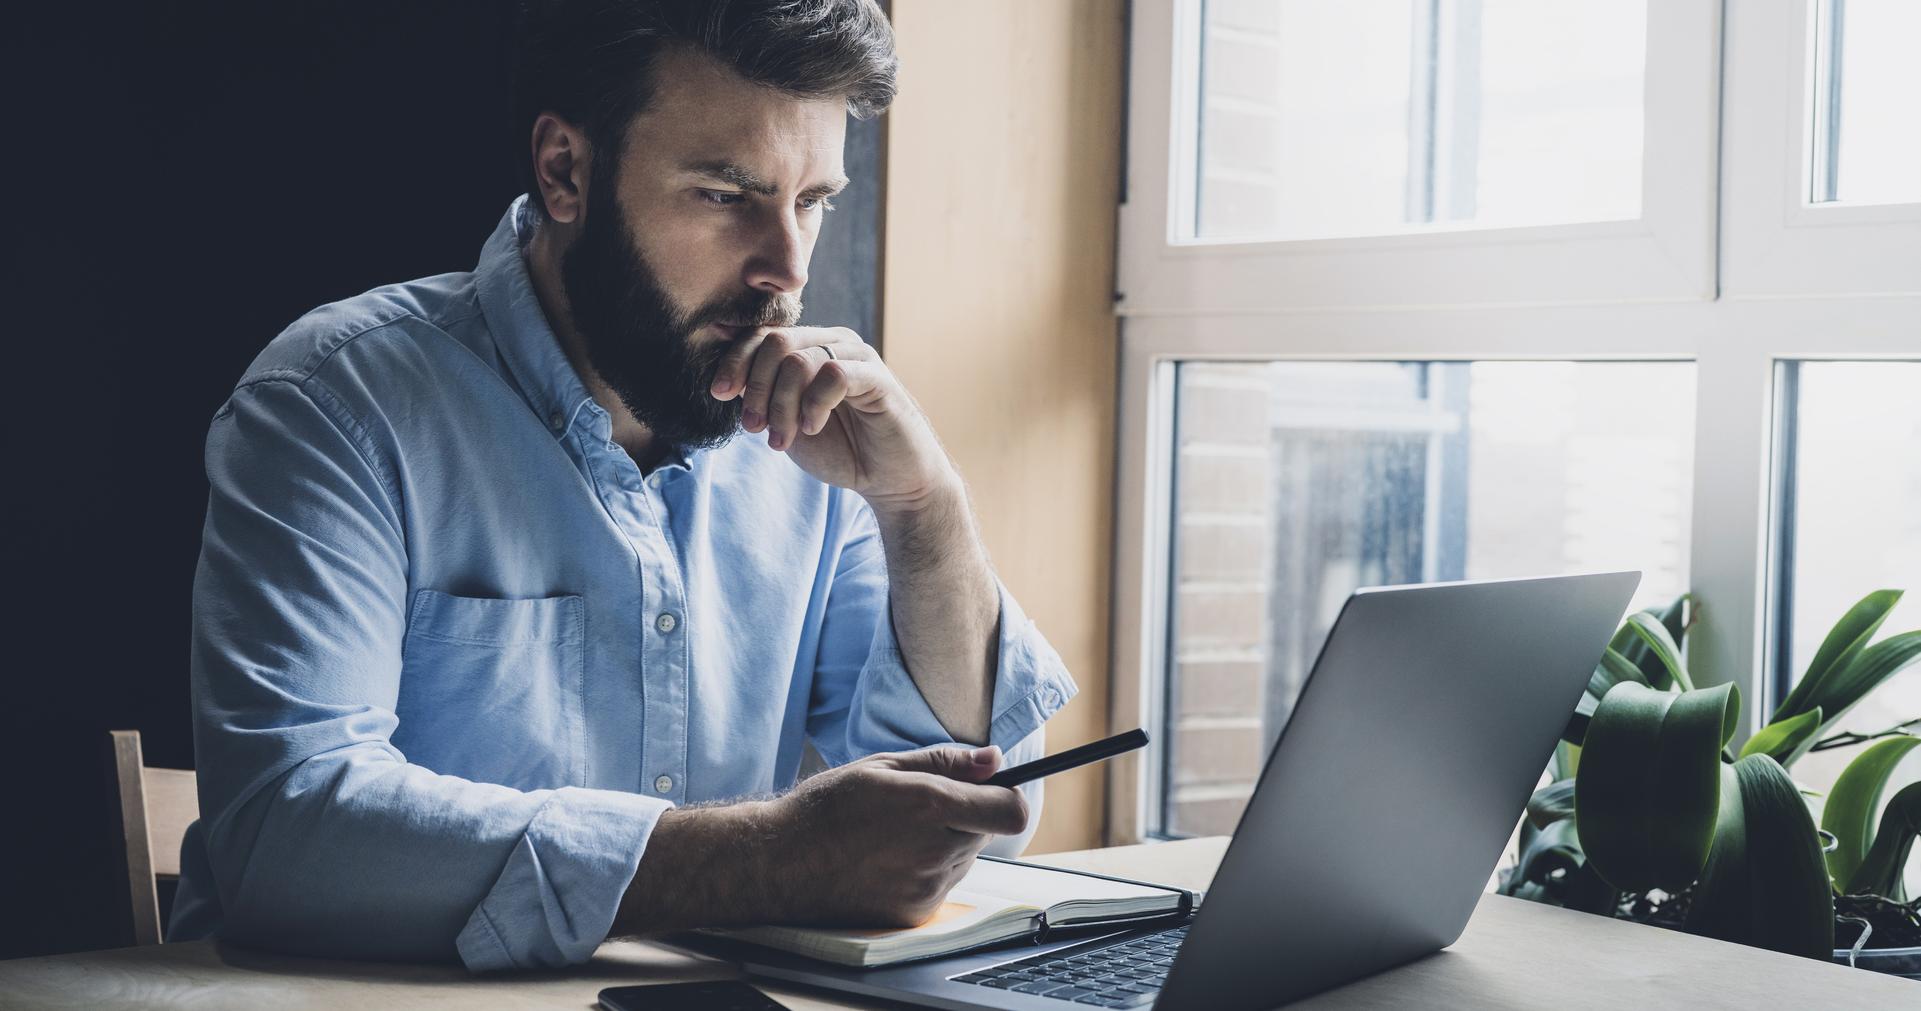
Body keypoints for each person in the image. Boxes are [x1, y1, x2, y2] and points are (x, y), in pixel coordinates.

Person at [167, 0, 1077, 971]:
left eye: (812, 201)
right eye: (727, 195)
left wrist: (921, 509)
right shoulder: (336, 402)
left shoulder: (809, 439)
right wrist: (766, 860)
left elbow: (983, 811)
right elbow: (285, 837)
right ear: (565, 170)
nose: (787, 268)